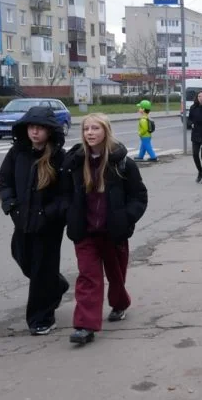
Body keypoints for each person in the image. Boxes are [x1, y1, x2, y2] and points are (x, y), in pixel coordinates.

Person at [62, 114, 148, 346]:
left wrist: (125, 218)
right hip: (85, 232)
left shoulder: (122, 163)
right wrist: (70, 216)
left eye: (95, 128)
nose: (90, 133)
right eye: (86, 128)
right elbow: (65, 194)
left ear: (106, 131)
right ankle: (84, 325)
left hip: (113, 232)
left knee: (116, 276)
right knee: (88, 277)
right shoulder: (76, 163)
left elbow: (139, 196)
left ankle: (119, 304)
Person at [0, 106, 70, 335]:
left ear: (49, 131)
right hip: (23, 220)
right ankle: (57, 285)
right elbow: (5, 179)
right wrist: (10, 205)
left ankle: (41, 318)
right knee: (22, 256)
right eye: (31, 127)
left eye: (39, 128)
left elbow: (67, 194)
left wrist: (49, 214)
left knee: (41, 271)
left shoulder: (60, 157)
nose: (35, 132)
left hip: (48, 226)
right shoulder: (18, 153)